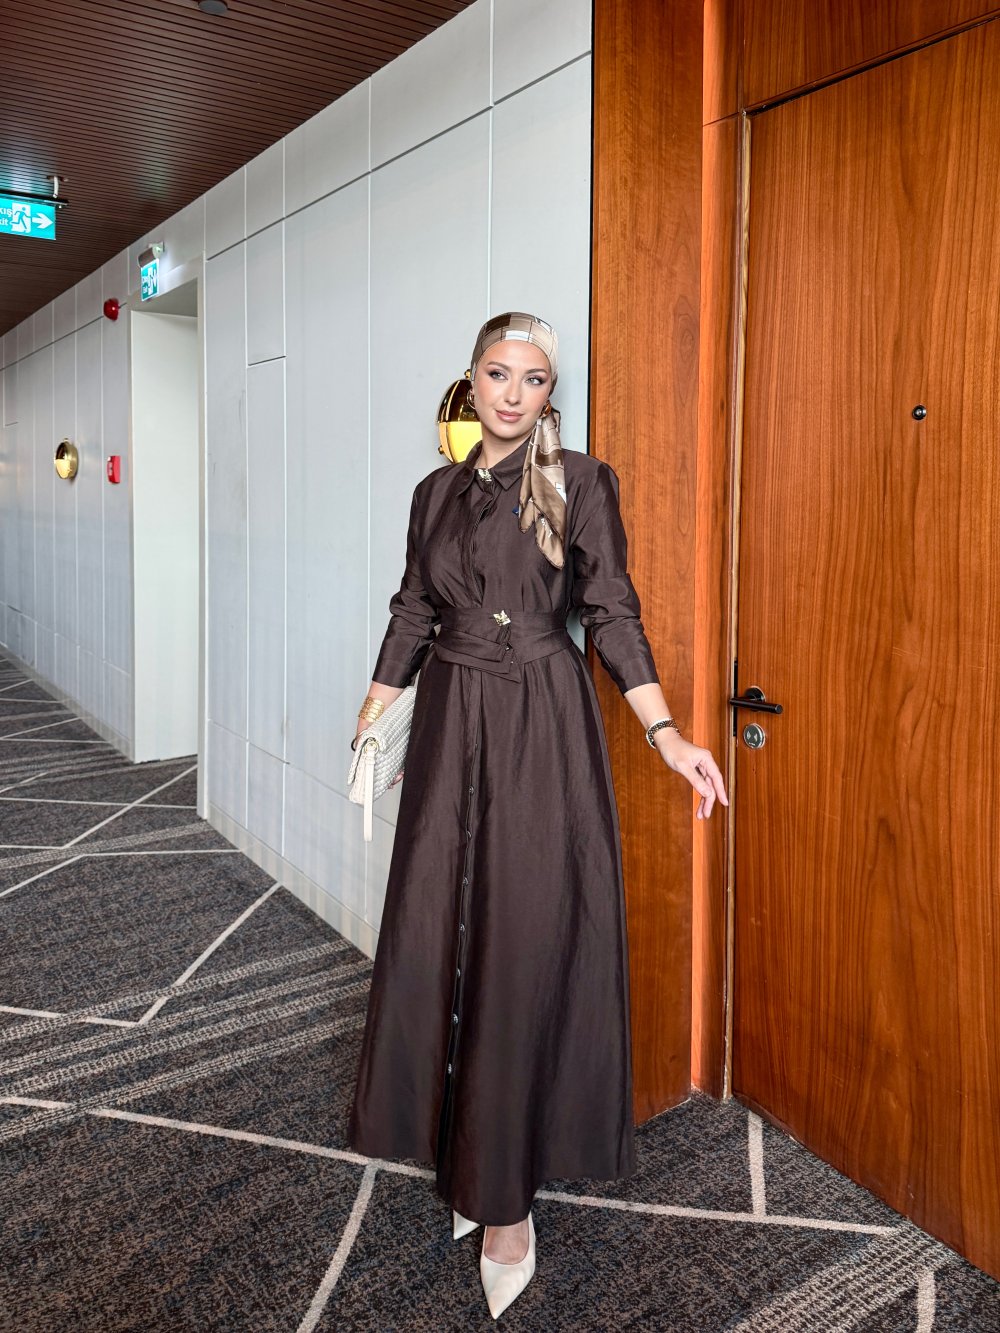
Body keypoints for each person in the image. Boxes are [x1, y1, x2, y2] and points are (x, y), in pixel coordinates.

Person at [346, 312, 727, 1319]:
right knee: (443, 932)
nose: (513, 393)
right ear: (470, 381)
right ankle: (463, 1151)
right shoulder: (433, 493)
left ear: (550, 391)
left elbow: (611, 611)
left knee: (518, 942)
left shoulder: (579, 482)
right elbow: (413, 609)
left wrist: (666, 734)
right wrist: (375, 714)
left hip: (539, 722)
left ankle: (506, 1202)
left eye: (534, 378)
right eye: (497, 373)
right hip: (447, 725)